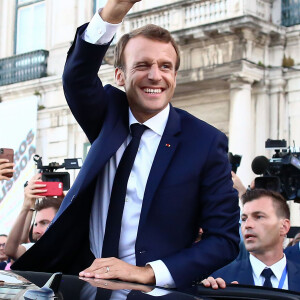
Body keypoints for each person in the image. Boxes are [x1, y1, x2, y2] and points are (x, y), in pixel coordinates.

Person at [12, 0, 240, 288]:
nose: (155, 75)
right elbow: (76, 77)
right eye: (142, 65)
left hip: (156, 292)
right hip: (83, 283)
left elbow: (224, 239)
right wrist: (116, 8)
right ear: (119, 75)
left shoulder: (205, 142)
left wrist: (148, 272)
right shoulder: (107, 115)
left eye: (165, 66)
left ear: (175, 77)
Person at [202, 189, 300, 292]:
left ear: (284, 226)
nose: (247, 225)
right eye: (244, 219)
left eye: (258, 217)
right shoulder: (220, 279)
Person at [4, 174, 63, 260]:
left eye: (44, 223)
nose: (35, 231)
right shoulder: (34, 250)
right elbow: (10, 251)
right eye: (35, 224)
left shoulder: (76, 250)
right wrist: (26, 207)